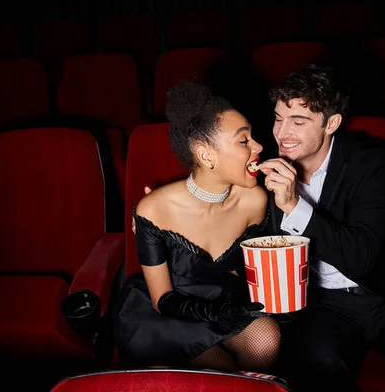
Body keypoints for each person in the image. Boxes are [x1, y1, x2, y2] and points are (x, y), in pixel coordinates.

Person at [259, 65, 385, 391]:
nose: (282, 132)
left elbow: (362, 258)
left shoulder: (374, 162)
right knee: (316, 373)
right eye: (278, 118)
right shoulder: (266, 171)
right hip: (322, 304)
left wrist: (294, 206)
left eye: (298, 122)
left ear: (332, 123)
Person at [115, 83, 281, 372]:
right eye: (244, 141)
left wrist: (286, 201)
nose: (259, 147)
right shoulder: (154, 209)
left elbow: (260, 267)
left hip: (224, 298)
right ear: (207, 156)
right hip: (169, 313)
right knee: (220, 371)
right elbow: (163, 300)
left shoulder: (254, 199)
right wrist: (222, 312)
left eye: (252, 137)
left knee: (266, 339)